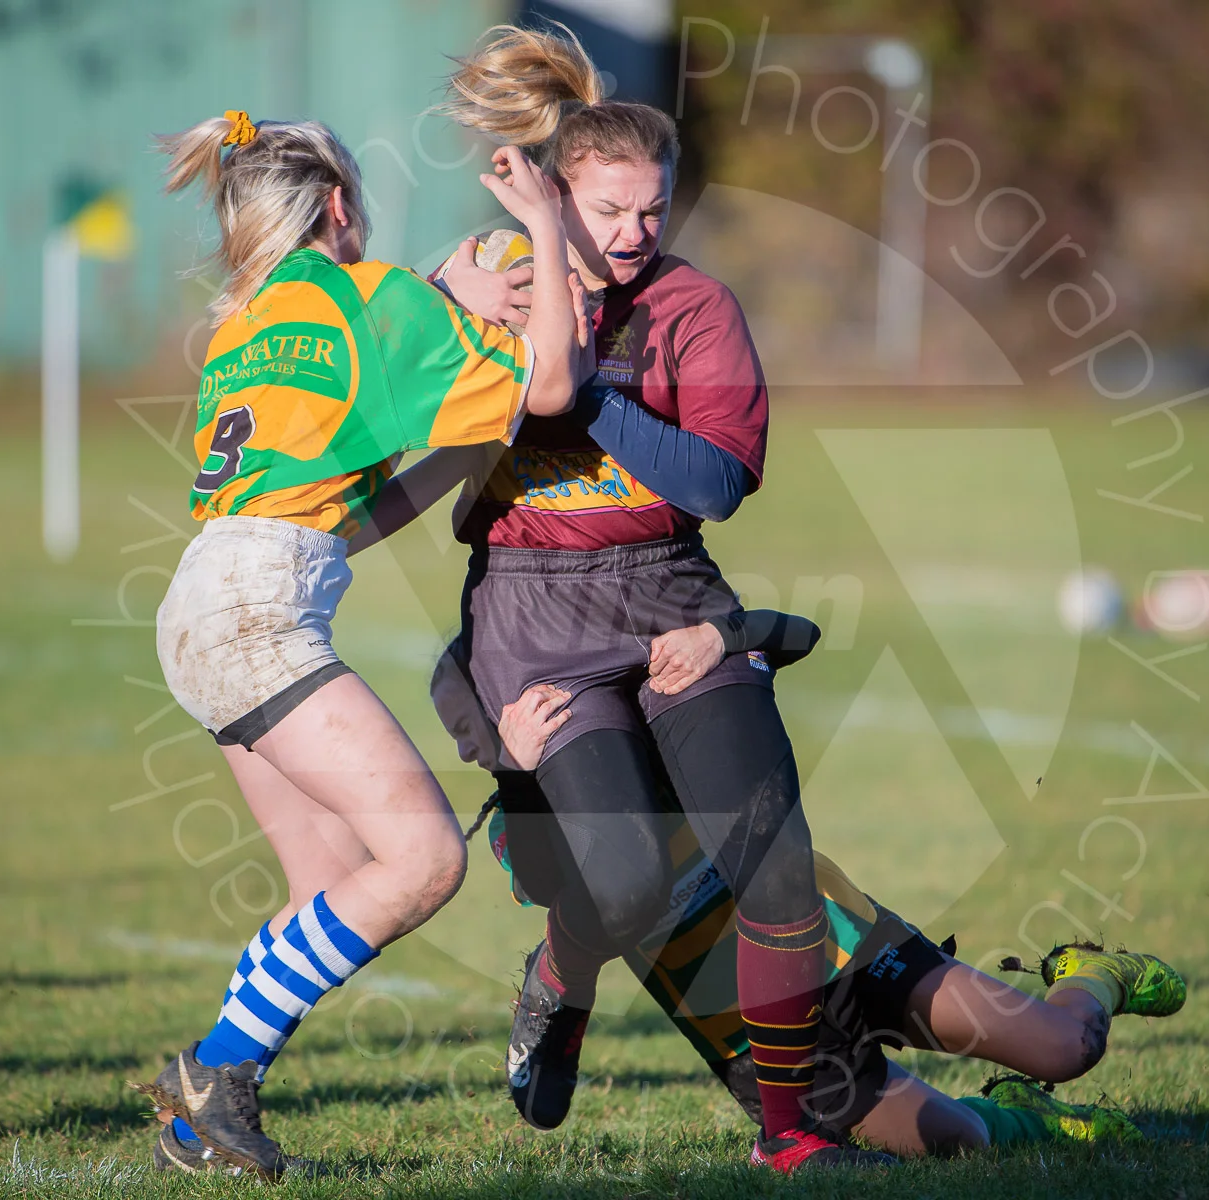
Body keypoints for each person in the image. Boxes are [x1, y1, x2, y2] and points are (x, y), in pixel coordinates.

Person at [422, 23, 888, 1171]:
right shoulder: (490, 282)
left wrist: (583, 399)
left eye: (652, 210)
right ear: (557, 199)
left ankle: (788, 1136)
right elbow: (398, 399)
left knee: (773, 863)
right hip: (535, 616)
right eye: (608, 211)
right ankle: (558, 975)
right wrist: (444, 289)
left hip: (672, 594)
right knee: (626, 891)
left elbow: (715, 481)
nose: (633, 235)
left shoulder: (696, 309)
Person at [132, 107, 589, 1178]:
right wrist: (545, 237)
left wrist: (475, 425)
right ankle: (218, 1075)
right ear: (341, 208)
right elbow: (556, 383)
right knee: (424, 859)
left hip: (204, 599)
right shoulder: (375, 295)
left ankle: (204, 1091)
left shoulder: (245, 326)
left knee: (329, 876)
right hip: (257, 613)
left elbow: (356, 511)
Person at [433, 648, 1187, 1160]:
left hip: (840, 952)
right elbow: (556, 887)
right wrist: (518, 772)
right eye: (470, 741)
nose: (470, 749)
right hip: (753, 1044)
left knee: (1067, 1047)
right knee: (964, 1144)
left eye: (476, 731)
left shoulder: (666, 729)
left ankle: (1093, 970)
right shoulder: (519, 826)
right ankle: (1029, 1117)